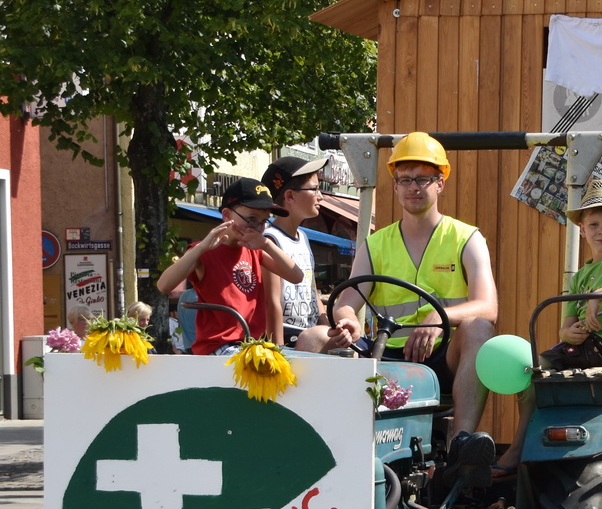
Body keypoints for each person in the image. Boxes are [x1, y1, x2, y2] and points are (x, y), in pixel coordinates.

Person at [323, 133, 500, 457]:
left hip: (440, 357)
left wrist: (438, 319)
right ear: (394, 186)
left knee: (480, 329)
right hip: (384, 353)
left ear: (440, 183)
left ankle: (461, 447)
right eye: (404, 179)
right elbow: (348, 302)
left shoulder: (466, 238)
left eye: (422, 179)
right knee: (312, 338)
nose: (413, 187)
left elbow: (488, 306)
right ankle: (323, 442)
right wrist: (347, 321)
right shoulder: (375, 244)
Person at [495, 179, 602, 478]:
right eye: (594, 224)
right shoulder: (579, 276)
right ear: (582, 229)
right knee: (530, 370)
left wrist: (597, 297)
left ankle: (521, 448)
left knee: (545, 368)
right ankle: (522, 442)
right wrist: (568, 334)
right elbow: (565, 326)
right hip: (583, 345)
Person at [156, 177, 304, 355]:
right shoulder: (204, 251)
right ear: (227, 216)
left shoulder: (254, 250)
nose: (257, 228)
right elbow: (163, 285)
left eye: (264, 221)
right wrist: (201, 248)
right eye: (251, 219)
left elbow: (296, 276)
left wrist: (267, 245)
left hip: (252, 343)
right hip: (218, 345)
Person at [260, 156, 329, 351]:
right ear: (289, 197)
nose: (321, 196)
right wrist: (276, 351)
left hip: (310, 332)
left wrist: (327, 326)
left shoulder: (304, 237)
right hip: (287, 335)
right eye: (314, 189)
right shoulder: (270, 240)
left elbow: (311, 287)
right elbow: (271, 301)